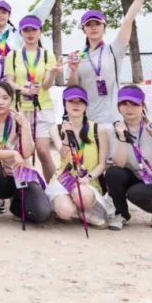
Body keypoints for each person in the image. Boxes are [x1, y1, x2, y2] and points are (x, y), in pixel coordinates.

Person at [67, 0, 149, 124]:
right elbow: (72, 89)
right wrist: (73, 70)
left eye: (97, 24)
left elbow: (128, 20)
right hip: (87, 119)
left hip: (112, 118)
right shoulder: (78, 57)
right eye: (89, 25)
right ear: (84, 29)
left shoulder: (114, 50)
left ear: (104, 27)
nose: (93, 27)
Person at [0, 81, 48, 229]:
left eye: (5, 98)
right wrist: (13, 153)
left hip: (19, 175)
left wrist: (25, 125)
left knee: (42, 213)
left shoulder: (18, 119)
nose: (0, 102)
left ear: (11, 100)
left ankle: (17, 206)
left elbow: (27, 153)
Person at [106, 84, 152, 230]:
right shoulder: (115, 129)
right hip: (136, 175)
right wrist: (121, 138)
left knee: (135, 193)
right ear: (118, 107)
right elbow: (119, 163)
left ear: (142, 106)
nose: (129, 109)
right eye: (124, 104)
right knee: (113, 173)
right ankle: (122, 214)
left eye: (134, 104)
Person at [4, 15, 62, 183]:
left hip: (42, 107)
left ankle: (53, 189)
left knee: (43, 151)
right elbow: (9, 82)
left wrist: (52, 74)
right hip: (20, 109)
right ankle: (26, 190)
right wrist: (24, 89)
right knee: (22, 152)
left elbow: (46, 85)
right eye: (26, 30)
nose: (30, 34)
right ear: (21, 33)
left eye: (33, 30)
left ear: (40, 31)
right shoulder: (13, 55)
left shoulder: (47, 55)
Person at [46, 86, 110, 228]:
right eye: (71, 101)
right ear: (64, 104)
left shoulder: (98, 129)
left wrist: (88, 177)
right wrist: (66, 136)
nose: (76, 105)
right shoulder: (55, 129)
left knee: (82, 195)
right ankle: (79, 212)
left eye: (80, 101)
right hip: (64, 179)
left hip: (88, 181)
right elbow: (63, 153)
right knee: (65, 211)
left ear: (86, 105)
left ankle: (84, 208)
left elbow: (102, 164)